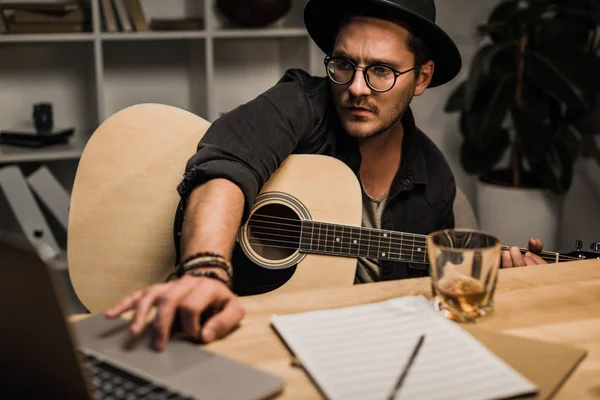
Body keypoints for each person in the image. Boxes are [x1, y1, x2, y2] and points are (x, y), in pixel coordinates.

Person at [105, 0, 547, 350]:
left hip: (358, 347)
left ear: (422, 77)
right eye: (343, 64)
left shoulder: (434, 180)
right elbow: (228, 162)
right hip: (251, 330)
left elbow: (425, 301)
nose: (355, 86)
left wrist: (500, 279)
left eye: (381, 71)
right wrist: (204, 272)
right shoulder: (303, 103)